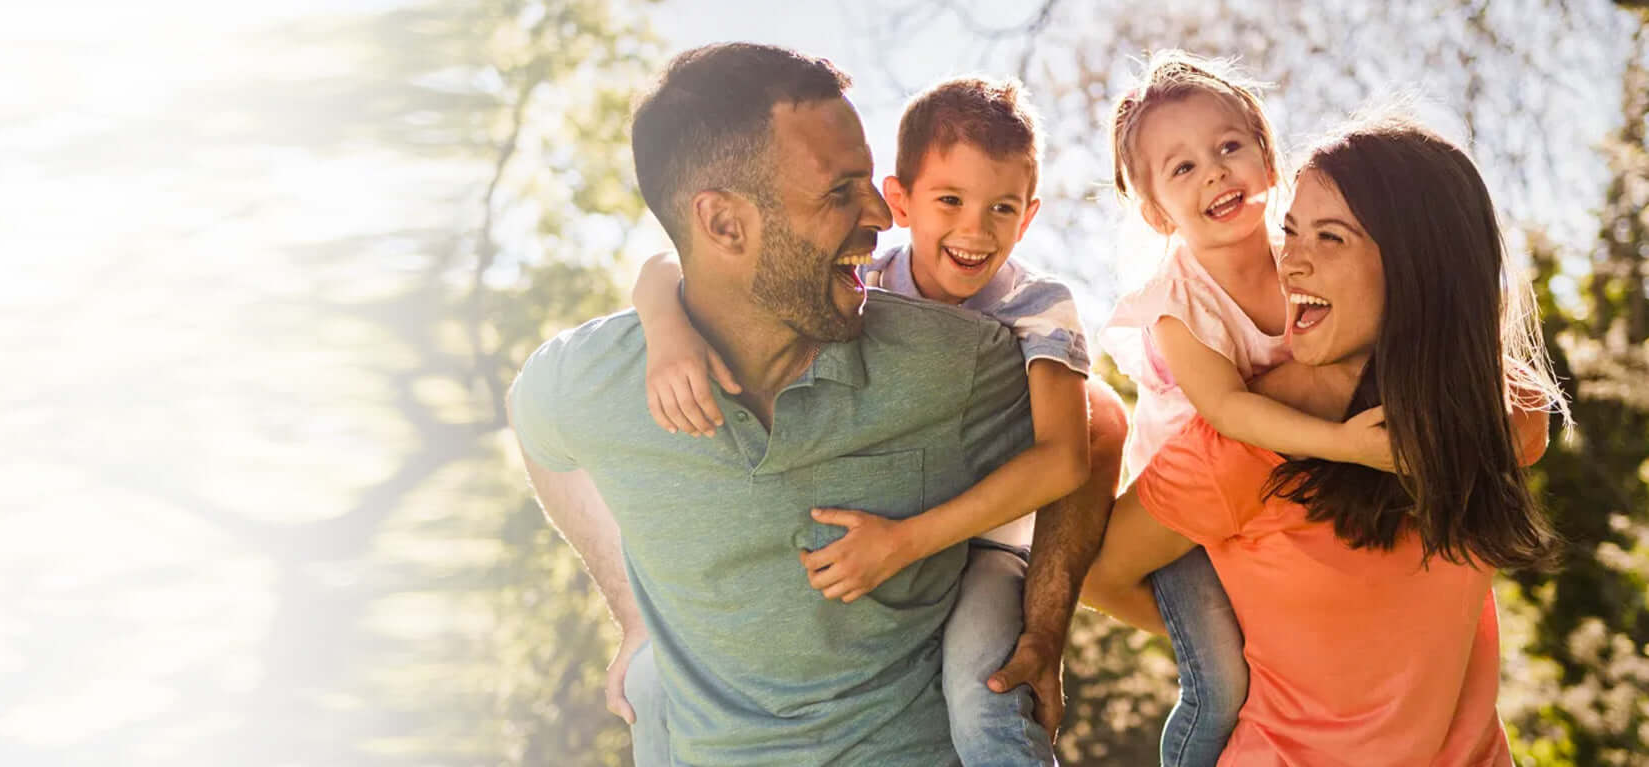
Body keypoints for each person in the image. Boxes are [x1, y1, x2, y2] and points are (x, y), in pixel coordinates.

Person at [508, 42, 1103, 765]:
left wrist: (1043, 625)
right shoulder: (593, 380)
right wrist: (634, 619)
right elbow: (536, 425)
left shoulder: (961, 355)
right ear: (724, 225)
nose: (884, 213)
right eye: (840, 189)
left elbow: (1093, 436)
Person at [1076, 117, 1563, 766]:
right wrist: (1233, 646)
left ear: (1419, 262)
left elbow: (1518, 403)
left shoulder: (1497, 415)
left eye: (1330, 237)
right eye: (1291, 231)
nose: (1290, 262)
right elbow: (1101, 573)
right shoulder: (1244, 447)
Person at [1098, 51, 1387, 764]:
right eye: (1183, 168)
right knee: (1222, 681)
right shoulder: (1175, 305)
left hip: (1262, 493)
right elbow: (1227, 410)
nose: (1215, 172)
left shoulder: (1306, 255)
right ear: (1157, 211)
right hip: (1183, 517)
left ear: (1266, 155)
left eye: (1229, 147)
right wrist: (1345, 442)